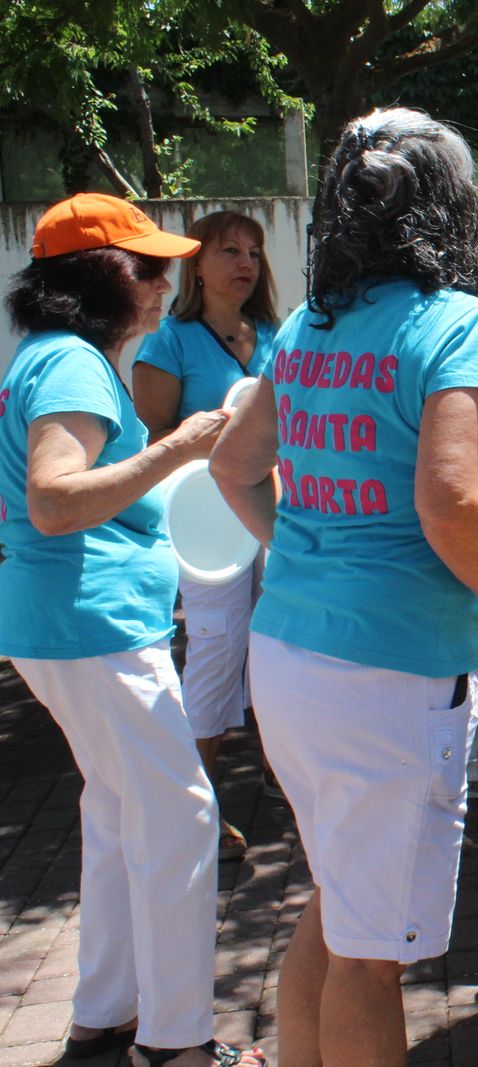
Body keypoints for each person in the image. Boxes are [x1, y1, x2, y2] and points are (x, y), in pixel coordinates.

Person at [208, 107, 478, 1067]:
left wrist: (307, 549)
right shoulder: (455, 322)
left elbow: (233, 467)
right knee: (374, 960)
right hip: (390, 677)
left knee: (340, 909)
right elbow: (451, 499)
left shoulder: (306, 325)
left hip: (292, 654)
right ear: (455, 211)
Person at [0, 194, 267, 1067]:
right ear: (101, 276)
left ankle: (106, 1017)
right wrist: (179, 450)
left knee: (117, 814)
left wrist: (165, 492)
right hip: (93, 628)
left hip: (66, 625)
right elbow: (53, 498)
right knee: (183, 819)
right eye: (147, 268)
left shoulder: (50, 357)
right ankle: (176, 1044)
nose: (163, 284)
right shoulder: (74, 364)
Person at [131, 210, 278, 861]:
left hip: (277, 514)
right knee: (218, 650)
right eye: (228, 251)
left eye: (253, 250)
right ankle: (192, 806)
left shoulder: (275, 335)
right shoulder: (171, 341)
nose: (244, 262)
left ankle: (293, 780)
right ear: (198, 265)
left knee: (278, 645)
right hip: (206, 522)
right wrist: (207, 435)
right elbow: (150, 444)